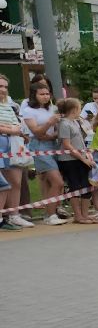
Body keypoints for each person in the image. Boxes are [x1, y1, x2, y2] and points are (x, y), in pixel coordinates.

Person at [22, 84, 66, 224]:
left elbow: (54, 131)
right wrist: (49, 123)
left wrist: (54, 133)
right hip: (39, 147)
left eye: (47, 94)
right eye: (42, 94)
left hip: (54, 145)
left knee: (49, 182)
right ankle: (52, 215)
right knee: (57, 181)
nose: (46, 96)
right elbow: (36, 132)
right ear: (34, 95)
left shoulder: (52, 108)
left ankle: (50, 213)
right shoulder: (29, 111)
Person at [53, 98, 98, 224]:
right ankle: (78, 215)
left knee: (86, 185)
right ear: (74, 109)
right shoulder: (64, 123)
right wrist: (82, 158)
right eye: (79, 108)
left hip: (80, 157)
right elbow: (67, 144)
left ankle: (85, 214)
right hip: (69, 160)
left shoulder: (75, 122)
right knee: (74, 186)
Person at [0, 76, 33, 229]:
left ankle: (14, 215)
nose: (3, 90)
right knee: (2, 184)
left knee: (15, 181)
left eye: (6, 87)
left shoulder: (9, 105)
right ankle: (3, 216)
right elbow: (10, 127)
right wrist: (10, 129)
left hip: (12, 145)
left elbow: (17, 125)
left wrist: (11, 129)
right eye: (0, 86)